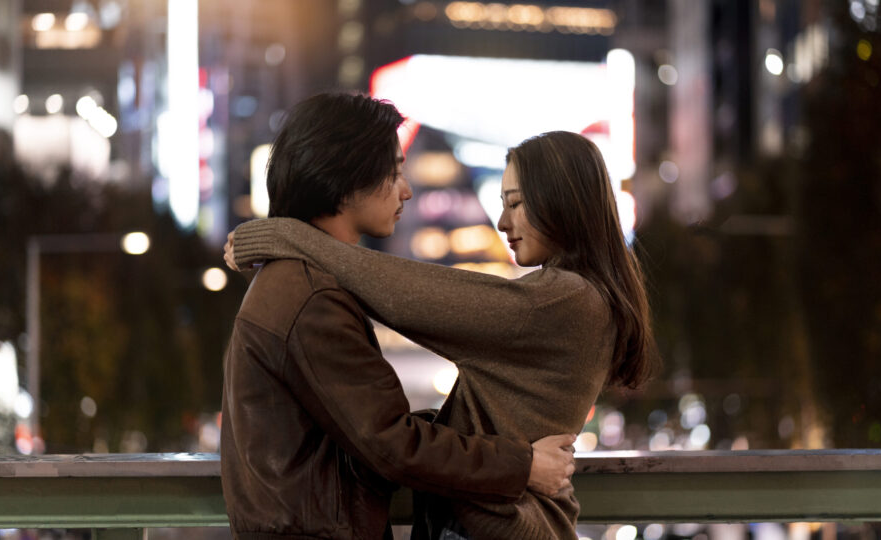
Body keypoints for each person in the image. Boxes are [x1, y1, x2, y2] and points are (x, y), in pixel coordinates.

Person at [225, 130, 659, 539]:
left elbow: (403, 293)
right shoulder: (581, 298)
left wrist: (276, 234)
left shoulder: (563, 301)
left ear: (562, 202)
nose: (503, 222)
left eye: (516, 203)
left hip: (500, 527)